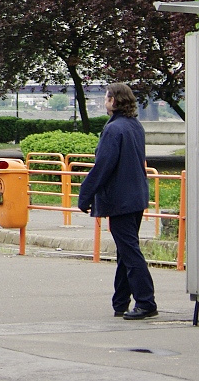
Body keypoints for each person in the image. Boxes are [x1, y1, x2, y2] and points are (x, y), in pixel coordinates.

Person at [78, 83, 157, 320]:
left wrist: (85, 194)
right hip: (136, 196)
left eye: (106, 97)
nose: (104, 101)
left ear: (114, 100)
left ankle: (146, 302)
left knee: (130, 253)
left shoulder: (114, 130)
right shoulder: (135, 126)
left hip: (120, 199)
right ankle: (120, 301)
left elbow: (103, 166)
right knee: (126, 251)